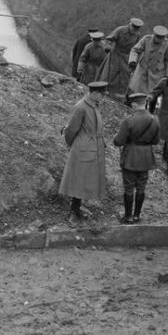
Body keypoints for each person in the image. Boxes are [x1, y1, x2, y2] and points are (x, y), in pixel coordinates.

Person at [59, 81, 108, 228]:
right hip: (82, 149)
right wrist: (73, 145)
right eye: (102, 94)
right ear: (94, 93)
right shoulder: (81, 107)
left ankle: (77, 208)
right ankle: (73, 213)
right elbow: (71, 130)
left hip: (92, 148)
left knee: (84, 180)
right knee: (77, 181)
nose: (103, 97)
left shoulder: (93, 105)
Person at [113, 92, 160, 224]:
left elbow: (118, 141)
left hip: (131, 157)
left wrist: (117, 140)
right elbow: (156, 141)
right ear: (144, 103)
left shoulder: (129, 121)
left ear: (134, 104)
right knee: (141, 187)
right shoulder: (154, 120)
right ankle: (137, 216)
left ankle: (128, 216)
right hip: (146, 157)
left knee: (128, 187)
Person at [97, 17, 144, 96]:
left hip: (127, 58)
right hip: (115, 55)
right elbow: (108, 39)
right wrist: (108, 46)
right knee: (110, 74)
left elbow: (136, 49)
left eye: (137, 29)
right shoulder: (120, 30)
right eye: (133, 28)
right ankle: (103, 91)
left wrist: (134, 60)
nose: (134, 31)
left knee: (124, 77)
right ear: (130, 25)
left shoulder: (137, 35)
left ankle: (119, 95)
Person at [127, 25, 168, 96]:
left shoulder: (167, 44)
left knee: (153, 95)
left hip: (156, 74)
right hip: (143, 71)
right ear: (155, 35)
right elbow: (135, 50)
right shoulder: (146, 39)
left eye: (162, 38)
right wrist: (132, 61)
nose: (160, 40)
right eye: (158, 37)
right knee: (137, 94)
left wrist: (167, 75)